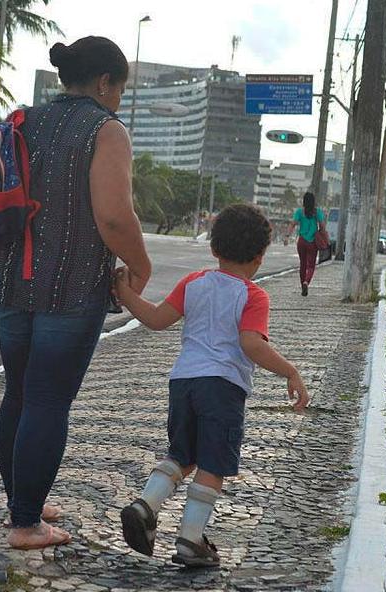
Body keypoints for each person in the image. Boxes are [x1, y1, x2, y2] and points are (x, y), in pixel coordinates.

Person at [0, 36, 152, 550]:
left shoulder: (19, 124)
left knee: (20, 394)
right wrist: (141, 263)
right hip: (72, 291)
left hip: (12, 283)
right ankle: (26, 523)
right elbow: (115, 217)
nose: (119, 99)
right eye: (120, 89)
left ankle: (22, 501)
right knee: (49, 400)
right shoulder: (106, 129)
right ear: (104, 83)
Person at [113, 204, 310, 567]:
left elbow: (156, 319)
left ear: (214, 249)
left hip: (183, 382)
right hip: (222, 388)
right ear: (259, 256)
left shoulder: (193, 283)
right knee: (213, 464)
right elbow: (251, 343)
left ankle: (146, 504)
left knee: (183, 454)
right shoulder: (253, 296)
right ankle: (190, 539)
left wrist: (125, 295)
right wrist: (290, 371)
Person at [288, 192, 326, 296]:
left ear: (304, 201)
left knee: (303, 264)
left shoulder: (299, 212)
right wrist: (321, 232)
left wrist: (287, 236)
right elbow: (322, 226)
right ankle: (306, 282)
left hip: (301, 241)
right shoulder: (317, 212)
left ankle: (302, 285)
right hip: (312, 241)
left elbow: (293, 224)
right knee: (311, 265)